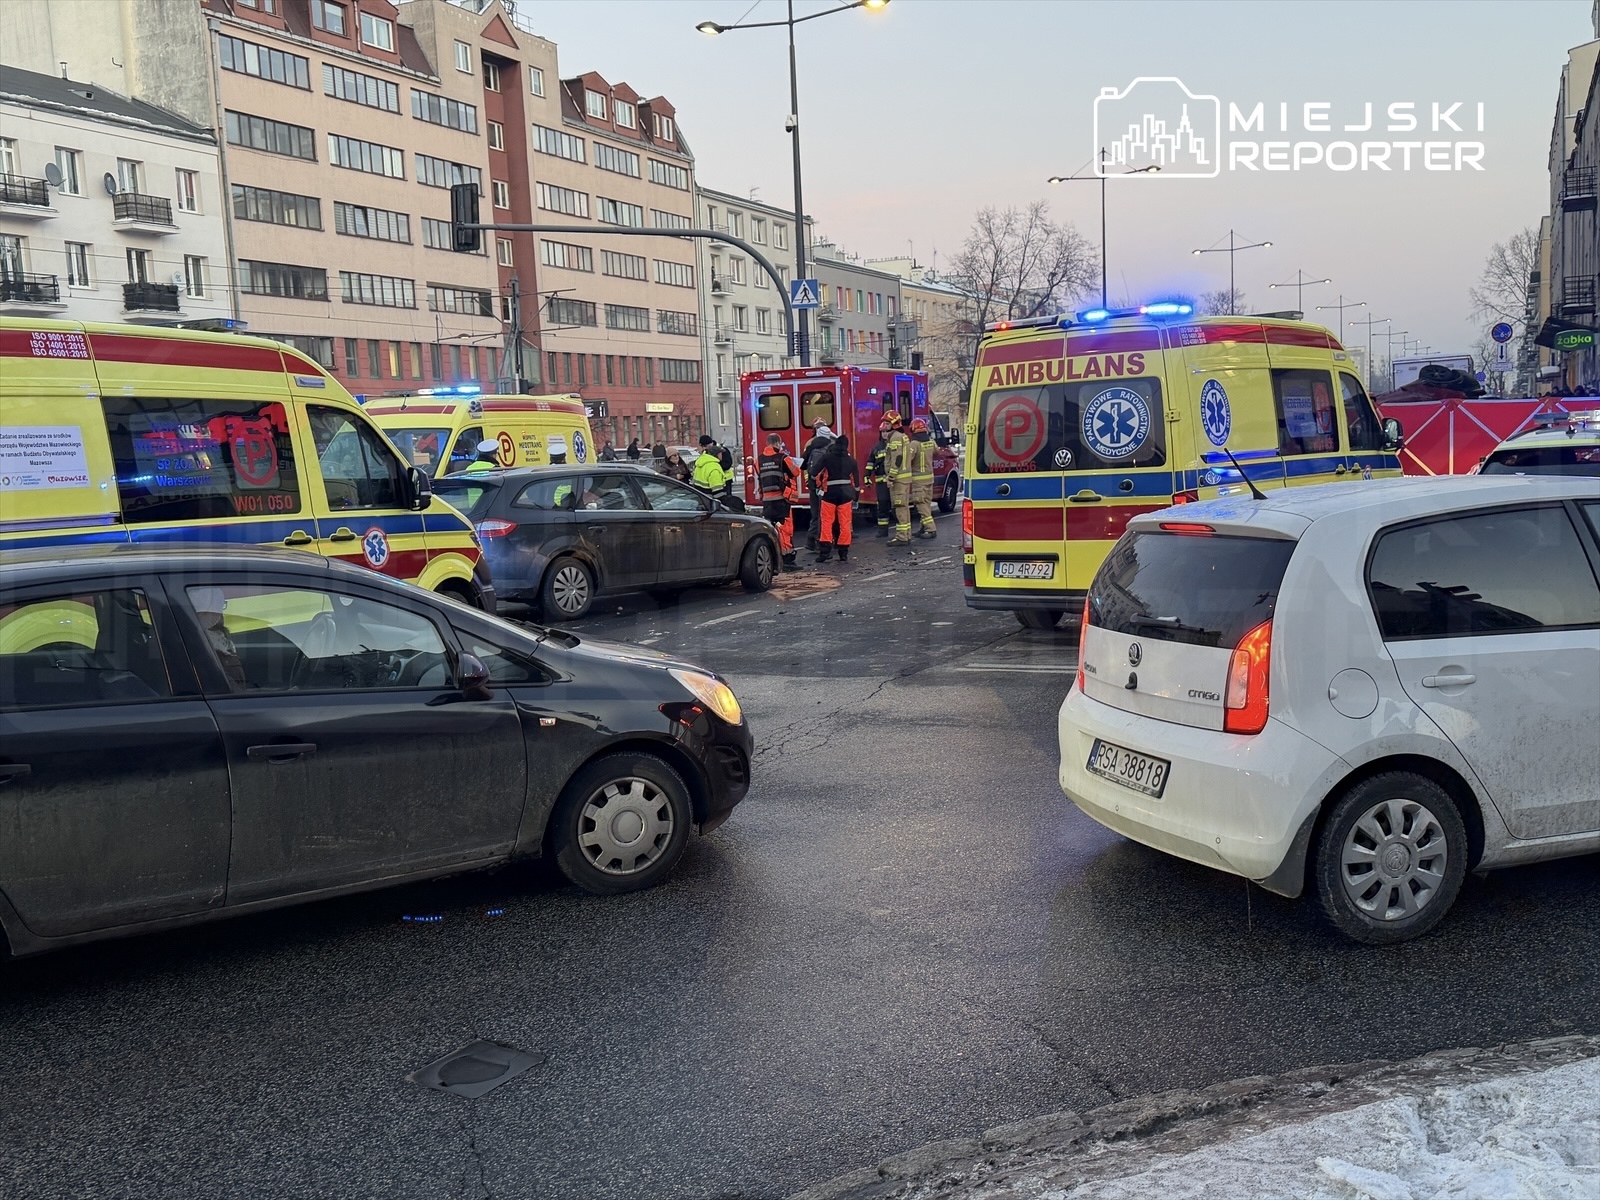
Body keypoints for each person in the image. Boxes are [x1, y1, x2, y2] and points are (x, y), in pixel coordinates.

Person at [813, 434, 860, 563]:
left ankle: (824, 551)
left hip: (829, 493)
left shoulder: (827, 457)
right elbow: (856, 482)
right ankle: (843, 552)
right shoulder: (851, 461)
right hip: (845, 495)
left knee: (827, 522)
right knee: (845, 523)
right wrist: (856, 496)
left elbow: (814, 471)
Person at [757, 432, 800, 571]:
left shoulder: (759, 460)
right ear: (777, 443)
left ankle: (772, 557)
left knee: (771, 530)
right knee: (785, 530)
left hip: (767, 501)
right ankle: (787, 559)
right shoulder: (783, 458)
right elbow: (796, 472)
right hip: (782, 499)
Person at [799, 419, 834, 551]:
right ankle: (824, 541)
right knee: (825, 514)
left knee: (815, 514)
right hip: (826, 485)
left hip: (813, 485)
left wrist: (809, 479)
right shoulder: (831, 445)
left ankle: (810, 540)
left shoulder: (811, 445)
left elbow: (802, 464)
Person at [883, 414, 913, 546]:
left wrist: (891, 477)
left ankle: (902, 537)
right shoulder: (903, 436)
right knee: (904, 507)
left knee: (900, 507)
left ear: (894, 424)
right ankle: (906, 535)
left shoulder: (895, 438)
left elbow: (897, 459)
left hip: (898, 480)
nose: (885, 426)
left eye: (888, 424)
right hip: (904, 479)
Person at [907, 418, 939, 539]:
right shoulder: (930, 441)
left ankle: (931, 529)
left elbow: (907, 460)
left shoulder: (914, 444)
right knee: (926, 504)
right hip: (930, 479)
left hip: (919, 481)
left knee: (921, 505)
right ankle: (923, 527)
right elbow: (937, 452)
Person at [866, 420, 892, 538]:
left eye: (887, 432)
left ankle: (902, 531)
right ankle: (883, 530)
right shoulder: (877, 447)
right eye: (883, 432)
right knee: (882, 506)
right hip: (881, 482)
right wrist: (867, 475)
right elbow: (871, 462)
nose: (885, 434)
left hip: (893, 481)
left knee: (897, 506)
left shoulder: (894, 444)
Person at [692, 433, 733, 499]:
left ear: (710, 443)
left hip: (725, 479)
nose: (704, 448)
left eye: (705, 446)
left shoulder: (723, 450)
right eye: (702, 446)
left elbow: (727, 465)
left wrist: (715, 465)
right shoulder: (706, 452)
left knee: (726, 499)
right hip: (713, 480)